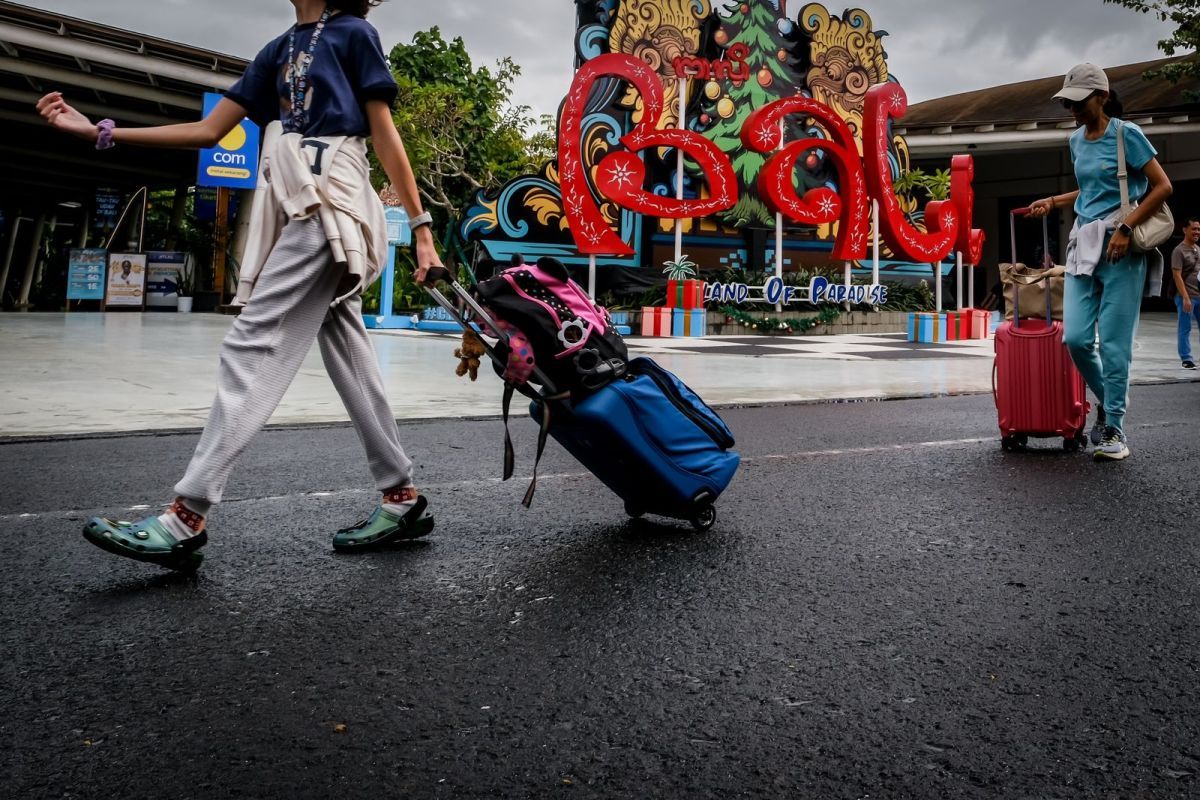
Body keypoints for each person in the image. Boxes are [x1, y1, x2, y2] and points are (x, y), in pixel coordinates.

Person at [36, 0, 445, 569]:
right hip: (302, 201)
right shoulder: (277, 50)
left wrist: (423, 231)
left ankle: (186, 515)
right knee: (347, 346)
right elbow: (209, 130)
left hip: (334, 204)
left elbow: (384, 132)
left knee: (253, 342)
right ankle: (402, 498)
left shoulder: (355, 33)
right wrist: (101, 131)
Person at [1029, 63, 1172, 462]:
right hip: (1085, 244)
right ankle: (1109, 406)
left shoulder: (1128, 135)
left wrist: (1126, 228)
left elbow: (1162, 186)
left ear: (1102, 97)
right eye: (1068, 104)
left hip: (1122, 249)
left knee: (1113, 345)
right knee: (1074, 337)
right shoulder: (1076, 140)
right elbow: (1090, 188)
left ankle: (1115, 430)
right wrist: (1054, 201)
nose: (1073, 110)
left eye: (1079, 102)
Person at [1170, 216, 1200, 369]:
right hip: (1186, 297)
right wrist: (1185, 298)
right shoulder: (1179, 250)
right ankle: (1186, 358)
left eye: (1198, 229)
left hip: (1198, 295)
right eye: (1194, 229)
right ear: (1184, 230)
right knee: (1185, 328)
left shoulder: (1198, 249)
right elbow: (1177, 275)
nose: (1197, 232)